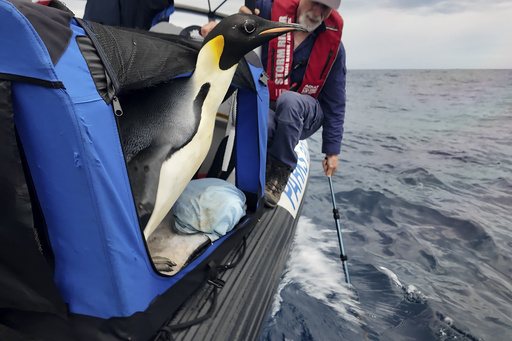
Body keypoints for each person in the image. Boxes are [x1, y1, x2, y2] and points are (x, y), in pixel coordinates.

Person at [202, 0, 346, 208]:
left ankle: (281, 170)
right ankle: (251, 175)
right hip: (270, 105)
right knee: (264, 122)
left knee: (290, 100)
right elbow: (248, 11)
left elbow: (336, 100)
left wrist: (332, 151)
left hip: (307, 112)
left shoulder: (334, 46)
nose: (318, 12)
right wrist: (221, 27)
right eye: (315, 3)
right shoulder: (270, 13)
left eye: (325, 8)